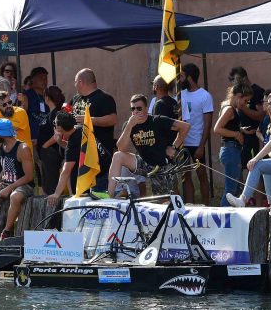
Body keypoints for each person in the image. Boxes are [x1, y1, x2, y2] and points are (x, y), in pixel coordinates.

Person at [105, 94, 190, 198]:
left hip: (162, 165)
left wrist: (174, 147)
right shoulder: (129, 125)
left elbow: (185, 127)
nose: (135, 112)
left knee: (165, 200)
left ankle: (177, 205)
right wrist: (129, 125)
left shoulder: (157, 120)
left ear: (146, 109)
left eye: (139, 108)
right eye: (133, 109)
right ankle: (109, 194)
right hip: (145, 163)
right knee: (118, 156)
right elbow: (121, 148)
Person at [46, 110, 112, 206]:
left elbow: (66, 171)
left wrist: (56, 194)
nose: (54, 127)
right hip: (106, 167)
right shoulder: (80, 129)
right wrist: (60, 142)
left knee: (99, 206)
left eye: (55, 124)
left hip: (100, 175)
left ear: (59, 128)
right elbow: (74, 151)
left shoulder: (73, 142)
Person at [179, 63, 214, 205]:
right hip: (182, 143)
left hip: (196, 143)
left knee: (201, 176)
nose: (180, 79)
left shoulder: (205, 96)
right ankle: (189, 206)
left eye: (182, 76)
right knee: (185, 177)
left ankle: (206, 206)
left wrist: (201, 146)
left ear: (189, 77)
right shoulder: (180, 95)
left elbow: (208, 123)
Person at [214, 82, 252, 206]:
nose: (245, 104)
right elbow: (217, 129)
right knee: (231, 190)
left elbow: (228, 127)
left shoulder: (228, 107)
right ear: (238, 96)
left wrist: (240, 130)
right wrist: (236, 134)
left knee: (235, 189)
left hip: (231, 150)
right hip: (230, 150)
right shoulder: (229, 109)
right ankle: (223, 215)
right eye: (245, 101)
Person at [71, 68, 118, 154]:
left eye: (75, 82)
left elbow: (113, 119)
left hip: (98, 153)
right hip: (78, 151)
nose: (74, 85)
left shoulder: (104, 98)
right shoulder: (76, 98)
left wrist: (88, 120)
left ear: (80, 82)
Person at [229, 66, 266, 169]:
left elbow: (261, 115)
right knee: (238, 168)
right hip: (239, 136)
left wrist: (243, 107)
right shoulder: (238, 94)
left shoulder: (256, 91)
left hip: (252, 137)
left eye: (236, 81)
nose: (235, 85)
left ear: (244, 79)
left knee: (252, 167)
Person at [37, 86, 66, 195]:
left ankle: (53, 203)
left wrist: (45, 145)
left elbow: (59, 133)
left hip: (51, 152)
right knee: (46, 182)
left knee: (51, 184)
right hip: (46, 153)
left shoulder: (56, 113)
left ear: (47, 98)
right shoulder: (51, 113)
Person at [19, 67, 49, 145]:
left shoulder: (49, 96)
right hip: (32, 139)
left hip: (47, 139)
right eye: (41, 78)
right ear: (32, 79)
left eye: (45, 78)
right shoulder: (26, 96)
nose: (44, 81)